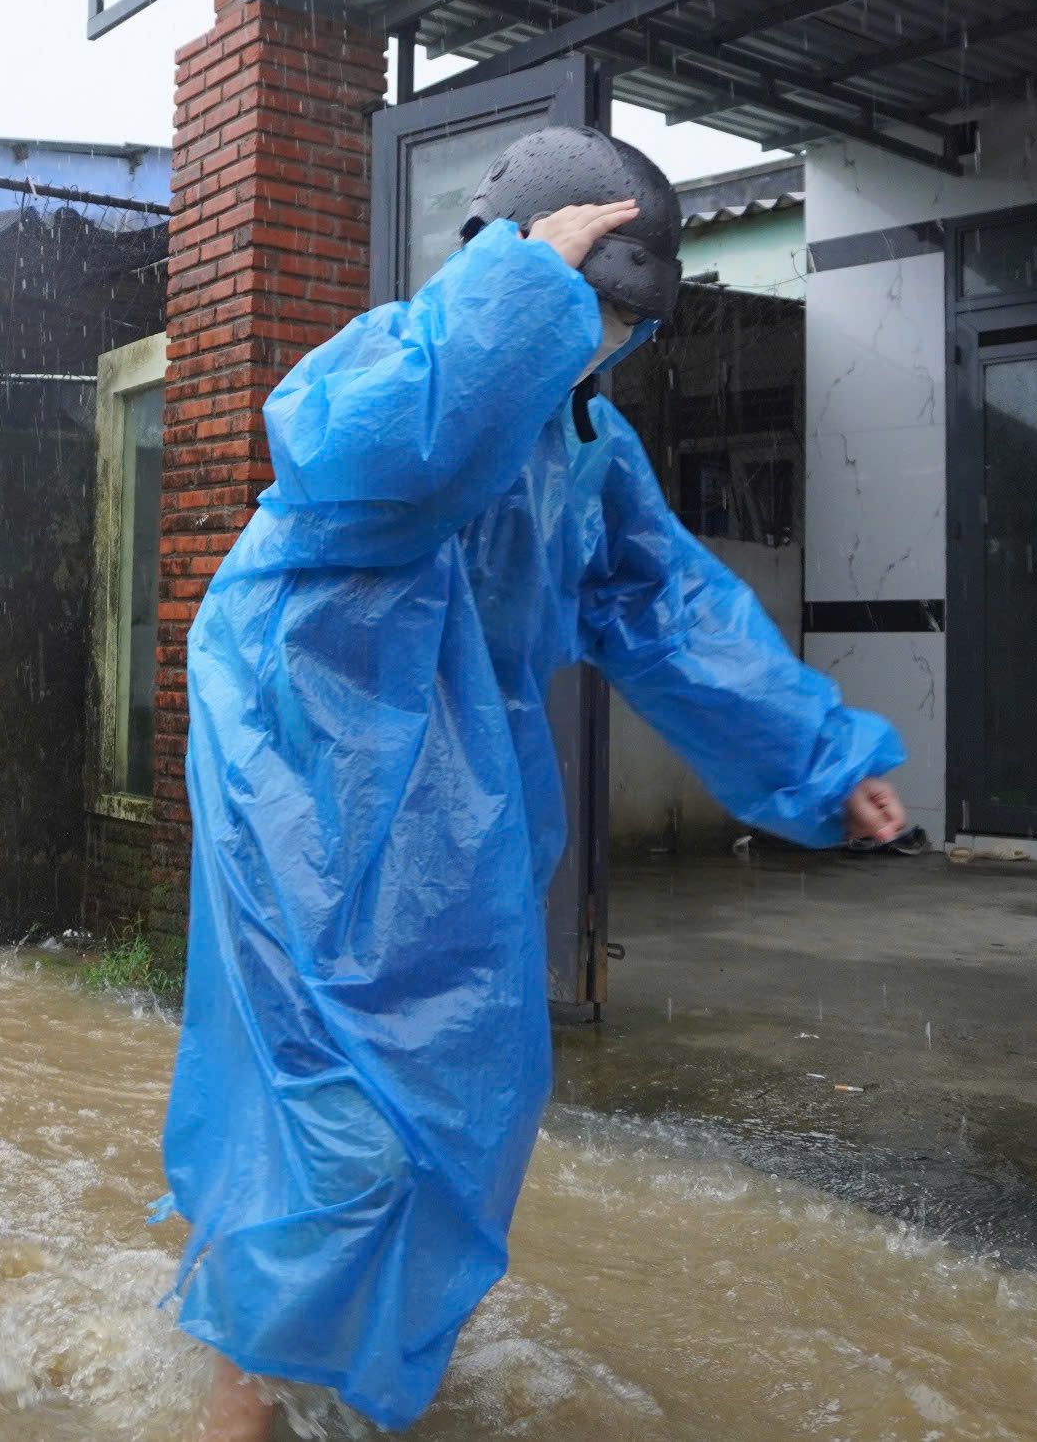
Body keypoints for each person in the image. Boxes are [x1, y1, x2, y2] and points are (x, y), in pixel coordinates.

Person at [171, 130, 909, 1439]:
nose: (598, 336)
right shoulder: (392, 356)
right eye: (586, 300)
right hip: (300, 793)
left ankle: (381, 1387)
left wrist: (820, 756)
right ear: (508, 266)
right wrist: (516, 298)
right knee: (323, 1122)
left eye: (619, 317)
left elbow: (674, 612)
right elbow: (378, 463)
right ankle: (243, 1411)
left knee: (461, 1103)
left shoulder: (588, 449)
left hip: (455, 823)